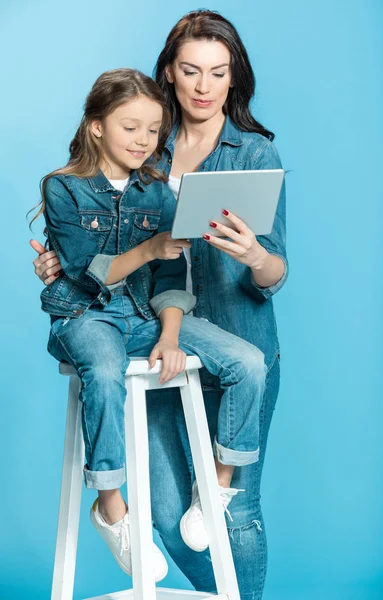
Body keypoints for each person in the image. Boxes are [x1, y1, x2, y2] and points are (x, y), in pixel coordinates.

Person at [31, 10, 288, 600]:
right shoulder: (145, 142)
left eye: (218, 73)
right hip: (144, 334)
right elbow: (93, 240)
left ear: (233, 78)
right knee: (170, 515)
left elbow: (276, 271)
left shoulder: (250, 153)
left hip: (224, 331)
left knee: (233, 514)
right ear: (169, 73)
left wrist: (253, 253)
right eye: (191, 71)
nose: (203, 86)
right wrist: (59, 264)